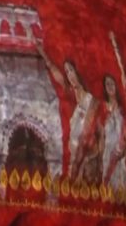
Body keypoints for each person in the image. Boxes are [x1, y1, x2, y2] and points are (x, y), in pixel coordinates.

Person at [36, 42, 97, 179]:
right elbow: (56, 73)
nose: (70, 75)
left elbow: (88, 130)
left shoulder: (90, 99)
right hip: (70, 150)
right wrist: (44, 55)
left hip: (84, 153)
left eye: (71, 70)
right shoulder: (70, 93)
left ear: (77, 71)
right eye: (67, 72)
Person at [104, 32, 126, 190]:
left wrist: (115, 47)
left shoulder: (122, 111)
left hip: (120, 156)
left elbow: (123, 77)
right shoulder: (103, 108)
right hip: (107, 154)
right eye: (107, 84)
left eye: (112, 83)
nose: (110, 86)